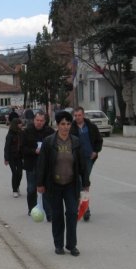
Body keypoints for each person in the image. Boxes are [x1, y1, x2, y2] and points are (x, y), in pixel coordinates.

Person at [37, 110, 90, 257]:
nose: (65, 127)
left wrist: (86, 182)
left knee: (72, 213)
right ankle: (58, 245)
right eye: (62, 124)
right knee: (58, 215)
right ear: (57, 125)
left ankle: (71, 245)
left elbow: (82, 164)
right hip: (54, 184)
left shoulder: (76, 142)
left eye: (68, 124)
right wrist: (40, 184)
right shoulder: (49, 142)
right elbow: (42, 164)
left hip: (71, 184)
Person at [70, 107, 103, 221]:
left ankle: (85, 208)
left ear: (83, 115)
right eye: (76, 115)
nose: (78, 117)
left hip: (88, 158)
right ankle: (82, 207)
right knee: (78, 183)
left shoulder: (91, 127)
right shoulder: (71, 128)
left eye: (79, 115)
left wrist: (95, 151)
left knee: (85, 182)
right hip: (75, 160)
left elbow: (99, 140)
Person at [21, 111, 55, 219]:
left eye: (41, 121)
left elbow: (55, 146)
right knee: (31, 188)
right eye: (37, 120)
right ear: (34, 120)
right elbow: (22, 148)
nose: (39, 123)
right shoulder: (27, 131)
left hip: (46, 165)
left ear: (45, 121)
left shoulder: (50, 131)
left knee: (46, 188)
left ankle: (49, 213)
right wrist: (33, 151)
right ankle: (32, 209)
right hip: (31, 163)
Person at [4, 118, 24, 198]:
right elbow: (7, 147)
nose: (21, 124)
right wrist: (6, 158)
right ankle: (14, 190)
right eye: (19, 123)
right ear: (16, 124)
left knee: (20, 173)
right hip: (11, 157)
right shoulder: (10, 134)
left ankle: (17, 186)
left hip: (19, 156)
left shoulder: (21, 133)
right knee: (15, 173)